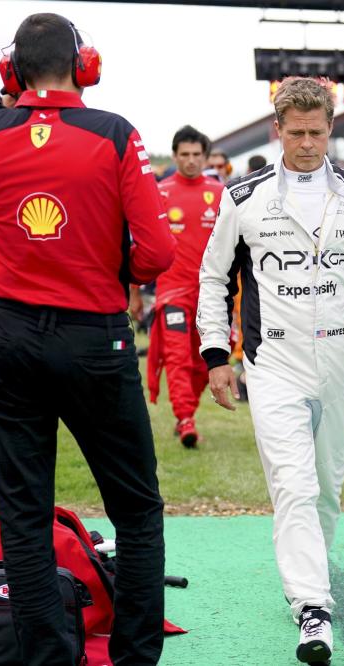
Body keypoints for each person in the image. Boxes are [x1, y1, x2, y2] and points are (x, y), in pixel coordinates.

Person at [0, 13, 175, 665]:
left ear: (10, 72)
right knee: (136, 509)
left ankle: (47, 657)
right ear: (86, 66)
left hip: (11, 335)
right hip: (94, 336)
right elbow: (157, 251)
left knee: (24, 512)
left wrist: (6, 104)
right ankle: (133, 658)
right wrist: (116, 270)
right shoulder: (114, 133)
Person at [197, 76, 344, 665]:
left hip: (336, 361)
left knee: (325, 493)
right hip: (272, 360)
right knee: (295, 487)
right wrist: (214, 354)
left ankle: (304, 584)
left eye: (317, 131)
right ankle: (313, 607)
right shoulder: (243, 196)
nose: (307, 143)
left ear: (332, 128)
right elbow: (212, 278)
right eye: (296, 132)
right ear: (277, 130)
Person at [136, 125, 223, 447]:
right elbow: (140, 242)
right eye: (184, 155)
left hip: (212, 295)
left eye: (196, 155)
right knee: (176, 358)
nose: (190, 161)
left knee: (204, 361)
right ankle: (185, 419)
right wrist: (134, 291)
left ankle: (188, 411)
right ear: (174, 156)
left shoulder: (220, 193)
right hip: (172, 293)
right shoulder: (159, 192)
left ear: (205, 157)